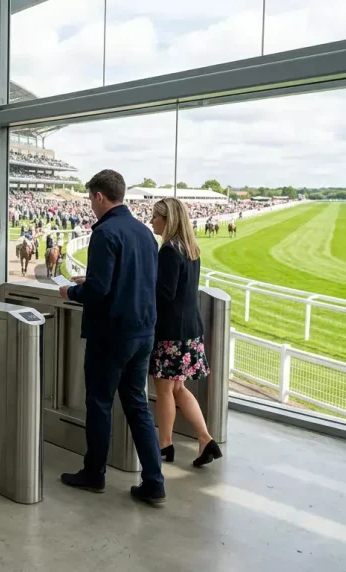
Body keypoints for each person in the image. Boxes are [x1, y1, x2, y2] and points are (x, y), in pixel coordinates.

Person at [57, 169, 165, 505]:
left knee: (100, 405)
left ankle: (94, 473)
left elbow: (101, 290)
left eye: (91, 199)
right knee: (138, 407)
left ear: (100, 196)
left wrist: (73, 291)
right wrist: (89, 280)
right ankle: (154, 481)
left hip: (111, 334)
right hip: (143, 332)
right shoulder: (145, 233)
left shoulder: (105, 233)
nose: (91, 205)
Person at [150, 198, 222, 467]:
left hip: (171, 332)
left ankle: (164, 445)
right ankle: (205, 439)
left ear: (167, 219)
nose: (151, 221)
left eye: (155, 217)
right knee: (178, 388)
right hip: (190, 330)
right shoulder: (191, 248)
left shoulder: (169, 250)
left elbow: (164, 294)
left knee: (165, 389)